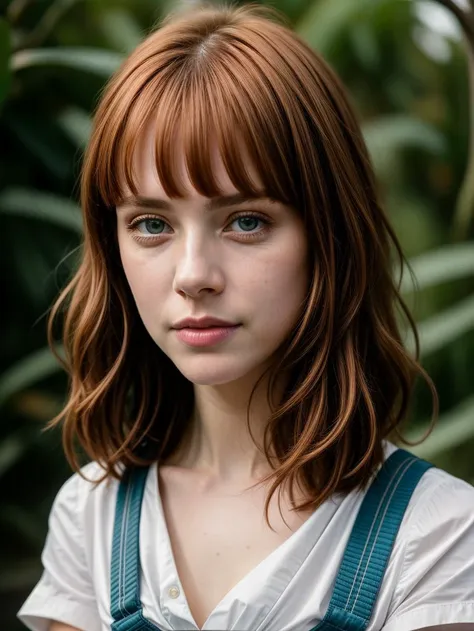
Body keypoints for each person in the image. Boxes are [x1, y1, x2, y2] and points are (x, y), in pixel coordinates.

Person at [17, 3, 474, 631]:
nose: (193, 274)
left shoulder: (435, 537)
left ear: (328, 234)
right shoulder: (92, 520)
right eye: (151, 225)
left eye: (246, 221)